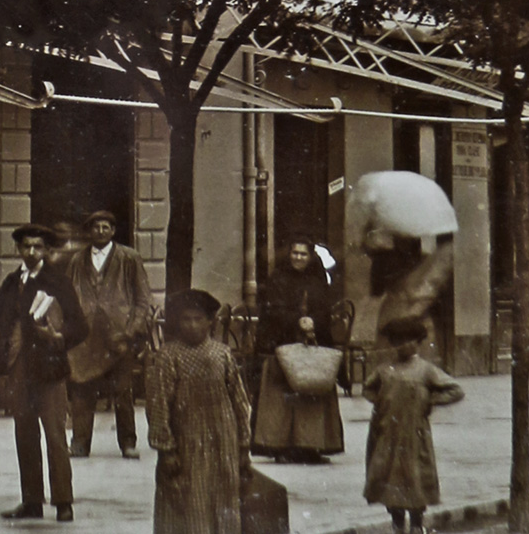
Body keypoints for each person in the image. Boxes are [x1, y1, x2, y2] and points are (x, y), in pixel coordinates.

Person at [0, 222, 85, 524]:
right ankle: (31, 500)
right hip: (19, 370)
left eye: (38, 247)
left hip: (49, 370)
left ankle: (63, 502)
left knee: (56, 436)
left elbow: (80, 325)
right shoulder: (11, 281)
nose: (31, 252)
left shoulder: (57, 281)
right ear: (18, 249)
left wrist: (58, 338)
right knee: (24, 435)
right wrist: (2, 339)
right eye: (26, 246)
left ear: (47, 250)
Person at [143, 288, 252, 534]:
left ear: (209, 322)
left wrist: (243, 445)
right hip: (185, 444)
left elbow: (239, 401)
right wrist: (166, 449)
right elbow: (158, 405)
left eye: (198, 319)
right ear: (178, 323)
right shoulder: (168, 356)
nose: (192, 325)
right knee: (188, 505)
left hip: (223, 444)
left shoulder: (222, 354)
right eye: (186, 319)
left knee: (224, 505)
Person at [62, 209, 152, 462]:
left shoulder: (129, 258)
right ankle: (79, 442)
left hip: (118, 337)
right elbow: (67, 296)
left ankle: (128, 443)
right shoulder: (77, 260)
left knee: (123, 391)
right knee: (81, 390)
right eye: (95, 227)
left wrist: (131, 330)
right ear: (88, 231)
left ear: (113, 231)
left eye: (105, 227)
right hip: (85, 339)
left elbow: (143, 299)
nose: (100, 231)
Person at [364, 314, 462, 534]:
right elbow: (368, 388)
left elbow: (455, 390)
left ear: (418, 342)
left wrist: (429, 400)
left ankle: (417, 524)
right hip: (388, 434)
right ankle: (397, 524)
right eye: (398, 341)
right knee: (392, 481)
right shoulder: (385, 370)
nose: (404, 345)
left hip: (414, 435)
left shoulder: (426, 370)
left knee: (415, 479)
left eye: (409, 340)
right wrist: (382, 402)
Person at [251, 238, 343, 461]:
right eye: (295, 253)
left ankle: (311, 447)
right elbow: (272, 310)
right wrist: (296, 321)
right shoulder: (277, 279)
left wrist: (314, 322)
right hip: (282, 344)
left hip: (312, 343)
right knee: (283, 399)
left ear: (310, 257)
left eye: (303, 254)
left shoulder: (318, 280)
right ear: (288, 254)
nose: (298, 258)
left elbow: (325, 310)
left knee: (312, 396)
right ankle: (281, 448)